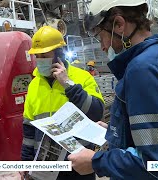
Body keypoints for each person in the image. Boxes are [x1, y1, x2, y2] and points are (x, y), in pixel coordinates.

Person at [68, 0, 158, 179]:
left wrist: (96, 161)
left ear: (119, 25)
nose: (102, 46)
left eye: (101, 37)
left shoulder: (144, 69)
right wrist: (119, 128)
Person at [21, 26, 105, 180]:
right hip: (45, 168)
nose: (40, 60)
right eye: (37, 56)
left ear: (58, 54)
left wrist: (68, 84)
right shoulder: (33, 85)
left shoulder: (82, 77)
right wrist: (26, 163)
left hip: (78, 166)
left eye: (44, 55)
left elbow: (96, 112)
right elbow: (28, 130)